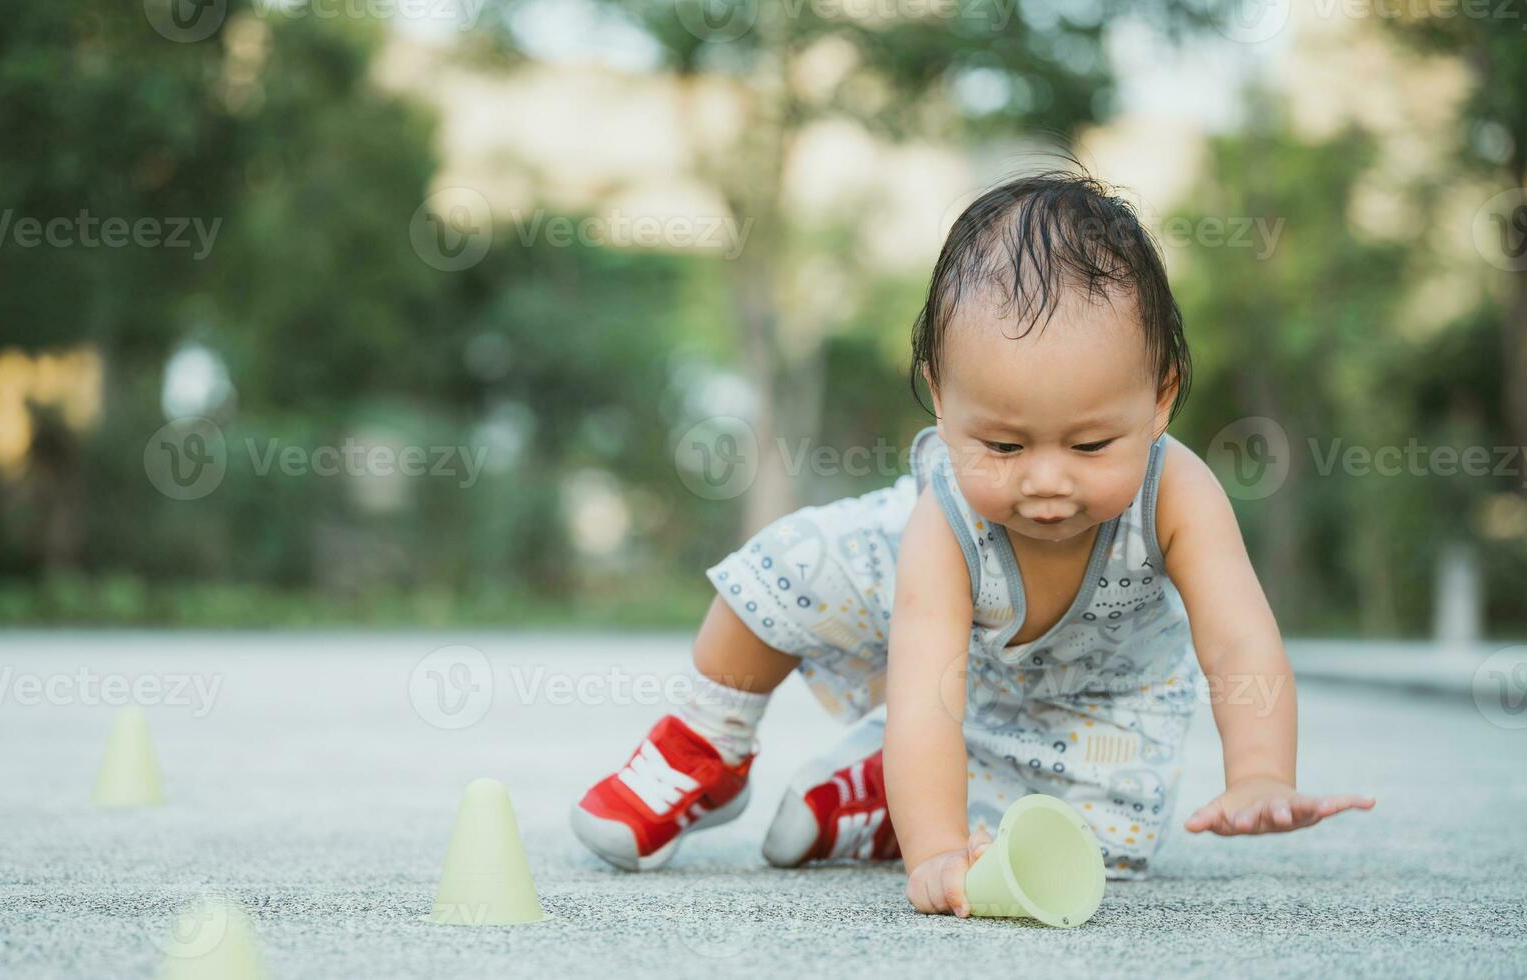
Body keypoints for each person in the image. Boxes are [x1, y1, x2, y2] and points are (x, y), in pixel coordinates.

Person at [571, 169, 1375, 915]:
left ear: (1160, 398)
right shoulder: (944, 518)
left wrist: (1261, 773)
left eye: (1091, 446)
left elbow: (1238, 642)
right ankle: (707, 743)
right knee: (791, 569)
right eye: (1004, 445)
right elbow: (925, 695)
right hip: (918, 617)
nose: (1048, 482)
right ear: (941, 399)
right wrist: (937, 854)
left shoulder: (1179, 491)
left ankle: (879, 801)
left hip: (1097, 690)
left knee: (1100, 852)